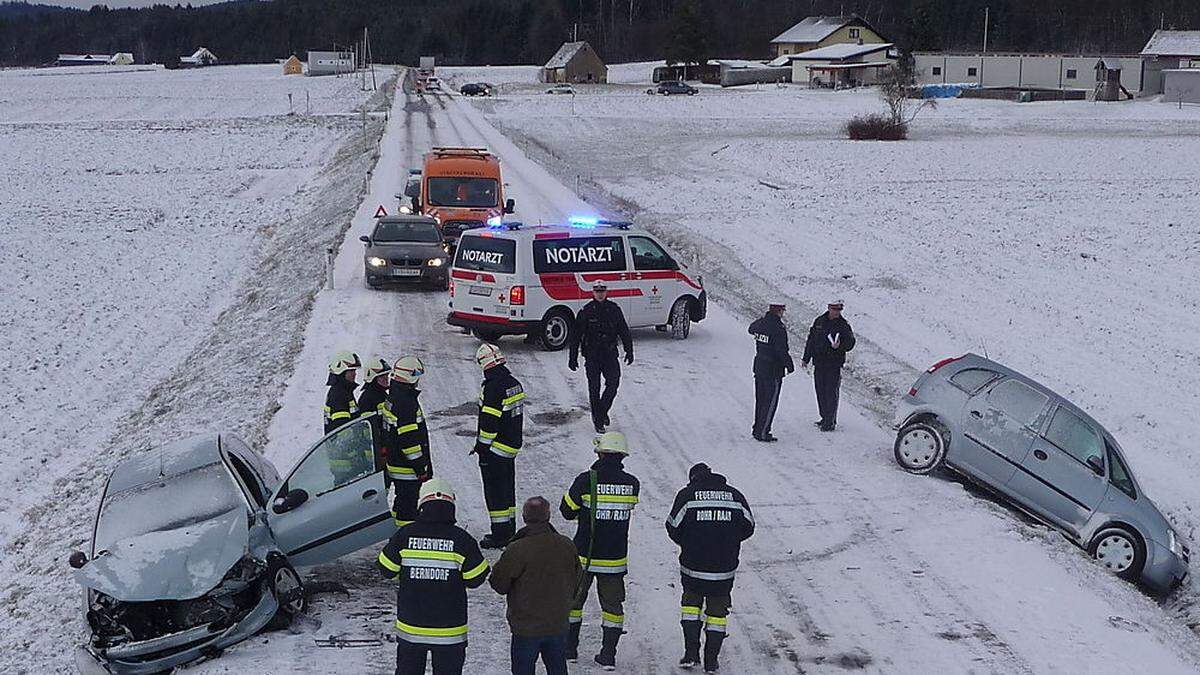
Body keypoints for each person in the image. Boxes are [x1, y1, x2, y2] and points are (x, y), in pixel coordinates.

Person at [377, 478, 489, 675]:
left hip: (411, 631)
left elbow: (386, 569)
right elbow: (476, 578)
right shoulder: (462, 540)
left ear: (421, 504)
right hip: (450, 634)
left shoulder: (404, 535)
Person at [560, 431, 640, 670]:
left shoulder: (585, 481)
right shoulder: (632, 484)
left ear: (600, 453)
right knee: (613, 609)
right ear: (622, 456)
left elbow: (567, 511)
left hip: (584, 556)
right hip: (615, 560)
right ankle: (608, 655)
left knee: (573, 604)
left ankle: (569, 649)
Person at [666, 463, 755, 673]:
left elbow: (672, 525)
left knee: (690, 608)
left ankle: (690, 654)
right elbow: (748, 526)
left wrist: (687, 542)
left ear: (693, 478)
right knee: (717, 615)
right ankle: (711, 661)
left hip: (692, 567)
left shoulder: (687, 495)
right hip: (724, 570)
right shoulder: (735, 495)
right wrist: (729, 540)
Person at [489, 497, 581, 675]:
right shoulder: (567, 545)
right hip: (557, 624)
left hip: (526, 627)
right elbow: (577, 580)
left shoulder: (517, 548)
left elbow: (499, 584)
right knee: (558, 669)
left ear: (524, 517)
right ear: (548, 516)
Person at [473, 343, 525, 549]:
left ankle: (500, 534)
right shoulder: (514, 383)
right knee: (507, 490)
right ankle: (510, 528)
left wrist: (482, 448)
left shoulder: (493, 387)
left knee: (495, 494)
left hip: (495, 449)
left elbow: (489, 423)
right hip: (511, 447)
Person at [568, 282, 633, 434]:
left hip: (610, 354)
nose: (600, 293)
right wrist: (572, 357)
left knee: (613, 383)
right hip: (592, 355)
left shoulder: (614, 310)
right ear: (593, 292)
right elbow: (576, 335)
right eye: (597, 291)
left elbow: (624, 330)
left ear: (606, 291)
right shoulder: (586, 311)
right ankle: (598, 420)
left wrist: (629, 350)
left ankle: (602, 411)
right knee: (594, 388)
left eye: (602, 290)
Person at [385, 355, 431, 526]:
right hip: (407, 469)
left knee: (401, 503)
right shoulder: (405, 403)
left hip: (397, 465)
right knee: (409, 510)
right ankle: (404, 539)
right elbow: (409, 441)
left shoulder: (394, 397)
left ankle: (396, 532)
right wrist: (420, 468)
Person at [801, 300, 856, 432]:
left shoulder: (843, 325)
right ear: (829, 309)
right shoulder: (819, 322)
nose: (836, 312)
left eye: (839, 310)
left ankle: (830, 421)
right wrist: (806, 358)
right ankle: (824, 417)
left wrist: (840, 345)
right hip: (819, 362)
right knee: (820, 391)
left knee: (831, 392)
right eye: (834, 309)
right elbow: (811, 341)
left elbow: (851, 343)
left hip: (833, 363)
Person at [748, 303, 794, 442]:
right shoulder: (778, 328)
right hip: (773, 370)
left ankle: (757, 429)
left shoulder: (761, 324)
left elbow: (751, 329)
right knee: (769, 403)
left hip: (759, 366)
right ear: (779, 311)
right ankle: (763, 432)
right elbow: (782, 350)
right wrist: (789, 365)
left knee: (760, 401)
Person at [358, 355, 393, 462]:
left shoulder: (382, 395)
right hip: (374, 454)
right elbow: (367, 429)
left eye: (387, 375)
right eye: (382, 376)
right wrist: (380, 448)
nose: (386, 379)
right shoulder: (367, 399)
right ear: (372, 378)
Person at [324, 351, 361, 434]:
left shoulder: (344, 391)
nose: (355, 374)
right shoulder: (338, 394)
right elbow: (342, 429)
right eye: (351, 371)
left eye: (354, 371)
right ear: (341, 372)